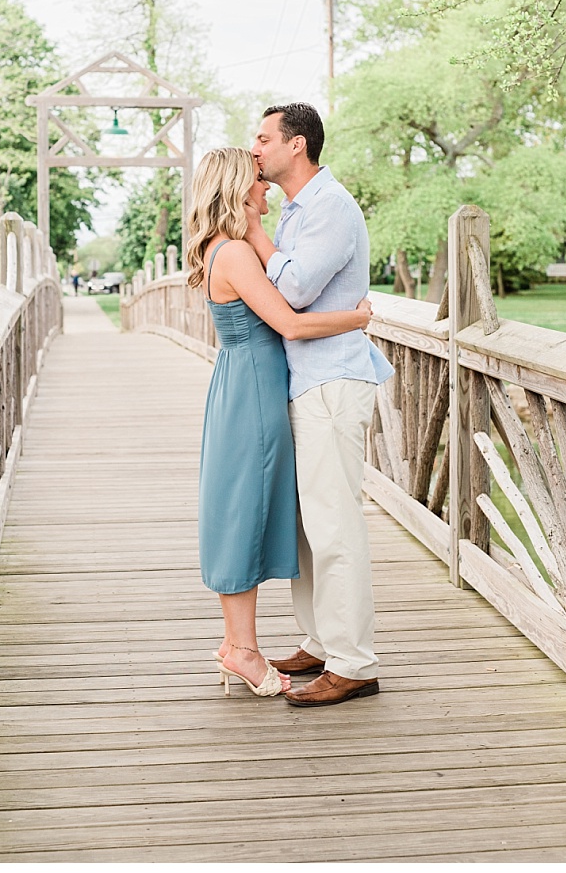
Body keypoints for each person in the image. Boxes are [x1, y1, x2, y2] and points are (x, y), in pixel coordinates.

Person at [186, 148, 373, 697]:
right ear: (238, 192)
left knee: (245, 507)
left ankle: (244, 643)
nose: (265, 186)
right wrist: (357, 317)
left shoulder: (226, 247)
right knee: (243, 509)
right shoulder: (236, 253)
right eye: (256, 181)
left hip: (249, 383)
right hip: (254, 390)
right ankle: (241, 648)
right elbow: (290, 323)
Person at [246, 103, 395, 708]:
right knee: (309, 528)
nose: (254, 149)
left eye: (264, 138)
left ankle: (354, 662)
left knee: (334, 525)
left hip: (332, 381)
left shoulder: (330, 206)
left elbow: (297, 289)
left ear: (297, 145)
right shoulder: (295, 211)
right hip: (306, 382)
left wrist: (253, 233)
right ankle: (321, 641)